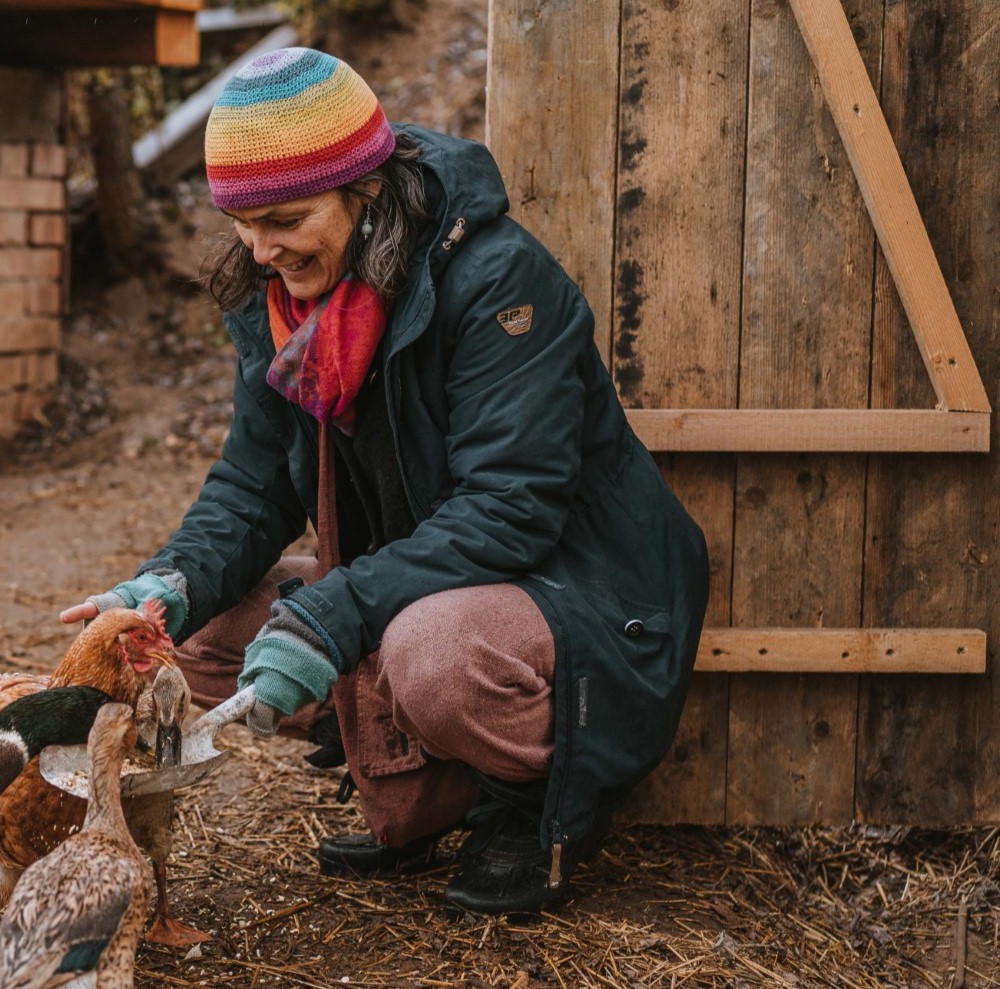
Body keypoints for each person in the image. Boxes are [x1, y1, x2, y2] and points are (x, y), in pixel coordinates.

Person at [62, 47, 708, 914]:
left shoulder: (497, 280)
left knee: (431, 657)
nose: (260, 250)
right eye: (243, 223)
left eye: (286, 218)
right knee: (193, 633)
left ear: (365, 193)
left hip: (576, 585)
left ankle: (532, 809)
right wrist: (164, 586)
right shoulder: (283, 301)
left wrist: (330, 616)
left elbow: (510, 508)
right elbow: (254, 488)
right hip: (430, 578)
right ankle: (417, 779)